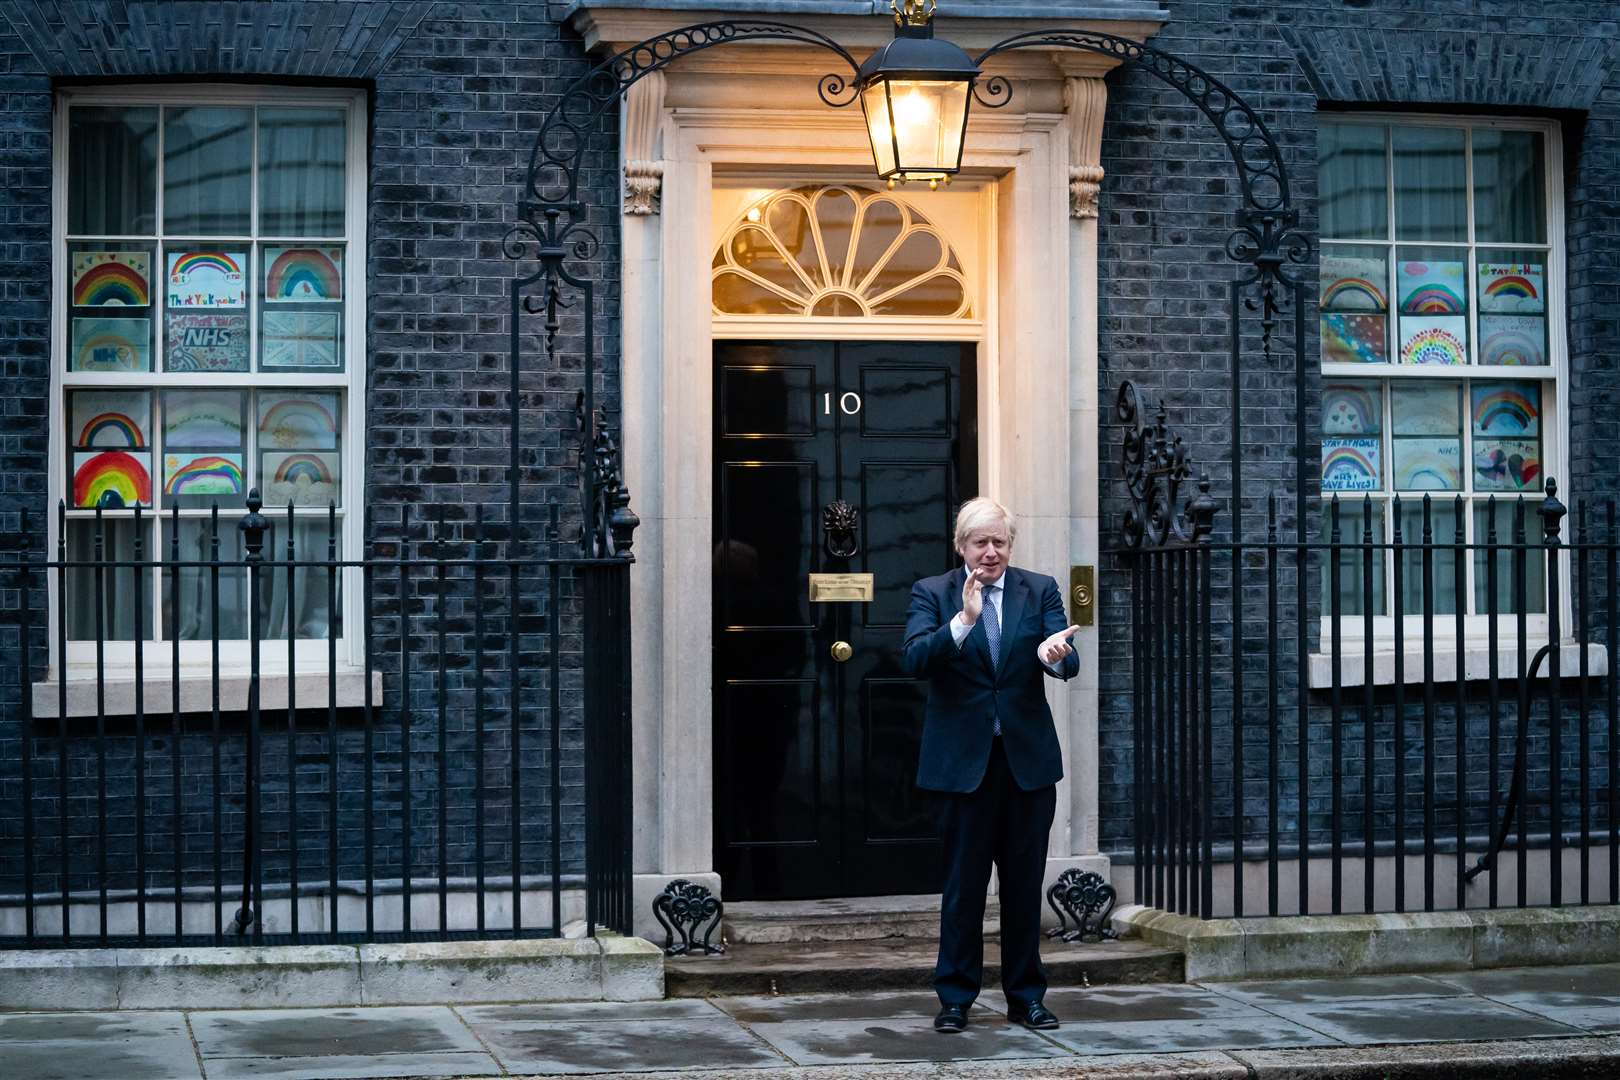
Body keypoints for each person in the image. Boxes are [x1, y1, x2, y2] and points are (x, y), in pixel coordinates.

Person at [901, 497, 1080, 1033]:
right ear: (961, 547)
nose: (991, 551)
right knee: (964, 888)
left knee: (1024, 888)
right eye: (980, 542)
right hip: (962, 769)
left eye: (1000, 541)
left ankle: (1026, 997)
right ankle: (955, 998)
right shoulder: (932, 593)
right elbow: (913, 659)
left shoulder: (1039, 588)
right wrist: (963, 621)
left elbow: (1065, 657)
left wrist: (1056, 656)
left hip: (1025, 766)